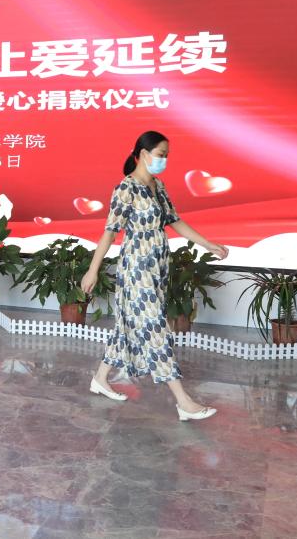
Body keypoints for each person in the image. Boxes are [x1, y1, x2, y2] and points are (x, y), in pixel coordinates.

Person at [81, 130, 229, 421]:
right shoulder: (126, 188)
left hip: (157, 268)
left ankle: (100, 378)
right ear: (143, 154)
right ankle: (183, 401)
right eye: (161, 155)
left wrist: (208, 243)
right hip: (136, 269)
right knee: (156, 329)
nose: (164, 160)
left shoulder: (158, 186)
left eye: (167, 156)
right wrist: (92, 270)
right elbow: (109, 232)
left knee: (127, 326)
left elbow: (175, 221)